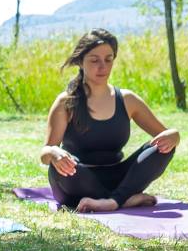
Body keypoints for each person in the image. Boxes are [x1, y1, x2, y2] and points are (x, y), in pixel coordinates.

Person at [40, 29, 180, 213]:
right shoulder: (66, 102)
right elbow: (45, 153)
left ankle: (112, 201)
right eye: (94, 60)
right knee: (58, 170)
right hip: (79, 179)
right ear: (81, 61)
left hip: (119, 177)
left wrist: (174, 135)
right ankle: (123, 199)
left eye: (108, 59)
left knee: (162, 147)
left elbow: (163, 135)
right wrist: (55, 152)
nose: (102, 66)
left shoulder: (128, 100)